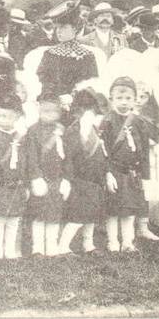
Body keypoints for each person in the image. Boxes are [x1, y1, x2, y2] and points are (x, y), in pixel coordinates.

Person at [100, 76, 159, 251]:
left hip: (132, 173)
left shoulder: (139, 122)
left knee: (129, 209)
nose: (123, 102)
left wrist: (145, 176)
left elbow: (143, 151)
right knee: (113, 209)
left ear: (135, 100)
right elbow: (103, 151)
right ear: (111, 99)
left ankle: (127, 242)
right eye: (119, 98)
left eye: (128, 98)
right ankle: (112, 241)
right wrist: (107, 173)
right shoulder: (107, 122)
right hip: (114, 172)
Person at [57, 88, 110, 256]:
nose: (90, 115)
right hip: (80, 181)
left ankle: (89, 244)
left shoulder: (95, 131)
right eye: (85, 111)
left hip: (95, 181)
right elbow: (68, 158)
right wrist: (68, 180)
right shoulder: (72, 132)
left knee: (91, 216)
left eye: (92, 112)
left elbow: (103, 155)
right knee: (77, 217)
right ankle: (63, 246)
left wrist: (106, 174)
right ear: (78, 113)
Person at [0, 94, 29, 260]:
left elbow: (27, 163)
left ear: (16, 117)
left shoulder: (23, 138)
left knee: (14, 219)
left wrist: (27, 185)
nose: (2, 119)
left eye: (7, 116)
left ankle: (9, 250)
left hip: (16, 185)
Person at [22, 91, 68, 257]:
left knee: (54, 214)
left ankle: (52, 246)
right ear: (39, 111)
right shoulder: (33, 131)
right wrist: (36, 177)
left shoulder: (62, 130)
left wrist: (66, 179)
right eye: (45, 111)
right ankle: (38, 247)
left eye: (54, 111)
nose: (50, 115)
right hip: (41, 178)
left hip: (57, 178)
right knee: (39, 214)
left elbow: (67, 157)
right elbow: (31, 157)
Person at [36, 0, 99, 106]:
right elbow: (43, 79)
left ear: (74, 29)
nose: (59, 32)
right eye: (58, 28)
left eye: (64, 28)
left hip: (78, 104)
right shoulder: (50, 53)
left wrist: (72, 97)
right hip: (52, 102)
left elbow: (91, 83)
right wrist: (53, 97)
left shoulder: (87, 55)